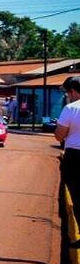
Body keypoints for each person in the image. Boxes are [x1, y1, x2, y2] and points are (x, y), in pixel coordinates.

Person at [54, 76, 80, 246]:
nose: (67, 96)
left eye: (68, 93)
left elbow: (59, 135)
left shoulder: (70, 109)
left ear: (73, 91)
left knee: (77, 197)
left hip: (75, 157)